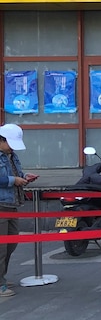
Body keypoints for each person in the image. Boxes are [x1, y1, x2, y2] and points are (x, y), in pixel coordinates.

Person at [0, 124, 36, 297]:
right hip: (1, 204)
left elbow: (16, 173)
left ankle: (2, 277)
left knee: (11, 243)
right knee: (1, 247)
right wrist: (13, 180)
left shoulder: (11, 155)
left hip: (12, 204)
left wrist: (23, 177)